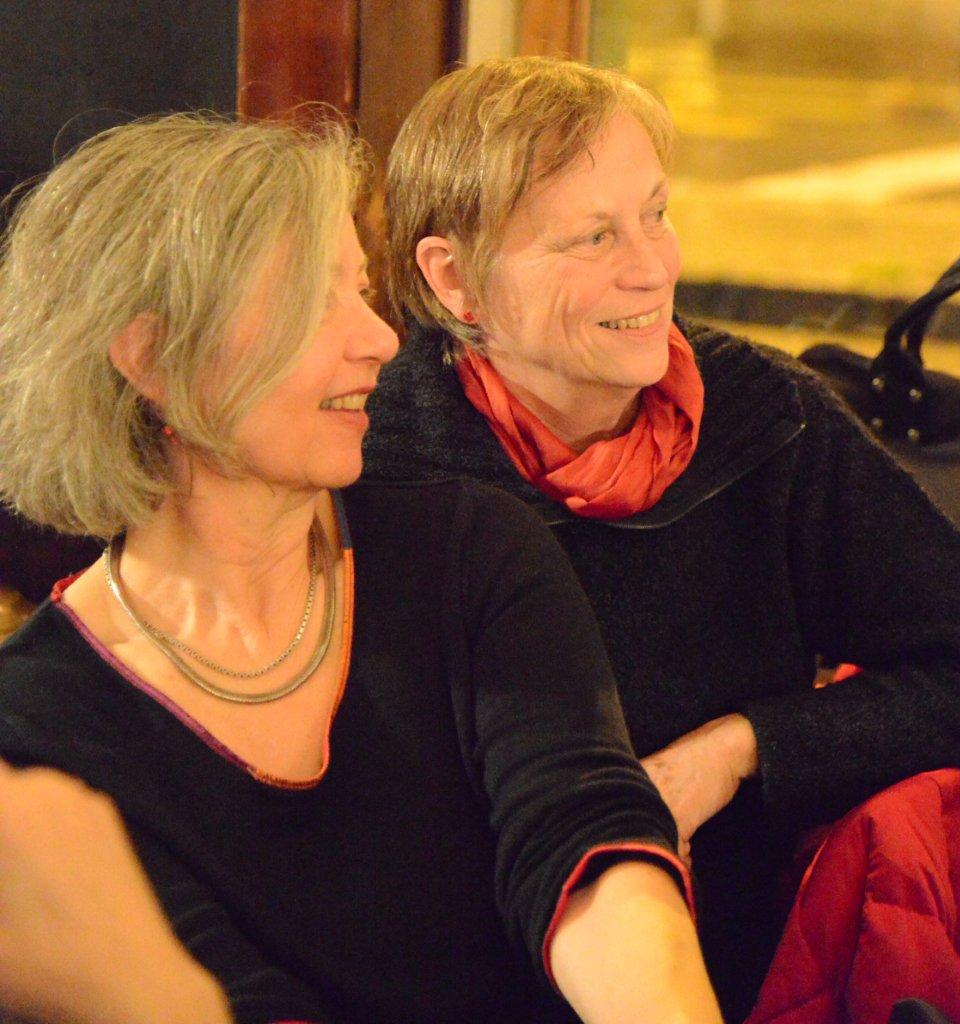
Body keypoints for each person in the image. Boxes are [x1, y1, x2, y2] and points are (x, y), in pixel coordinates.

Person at [365, 56, 960, 1018]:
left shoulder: (760, 417)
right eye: (593, 236)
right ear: (454, 280)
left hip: (736, 971)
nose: (652, 267)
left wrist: (737, 753)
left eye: (655, 212)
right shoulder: (376, 459)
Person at [0, 113, 721, 1024]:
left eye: (364, 289)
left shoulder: (467, 549)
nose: (378, 338)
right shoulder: (36, 727)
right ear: (151, 359)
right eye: (312, 301)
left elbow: (584, 839)